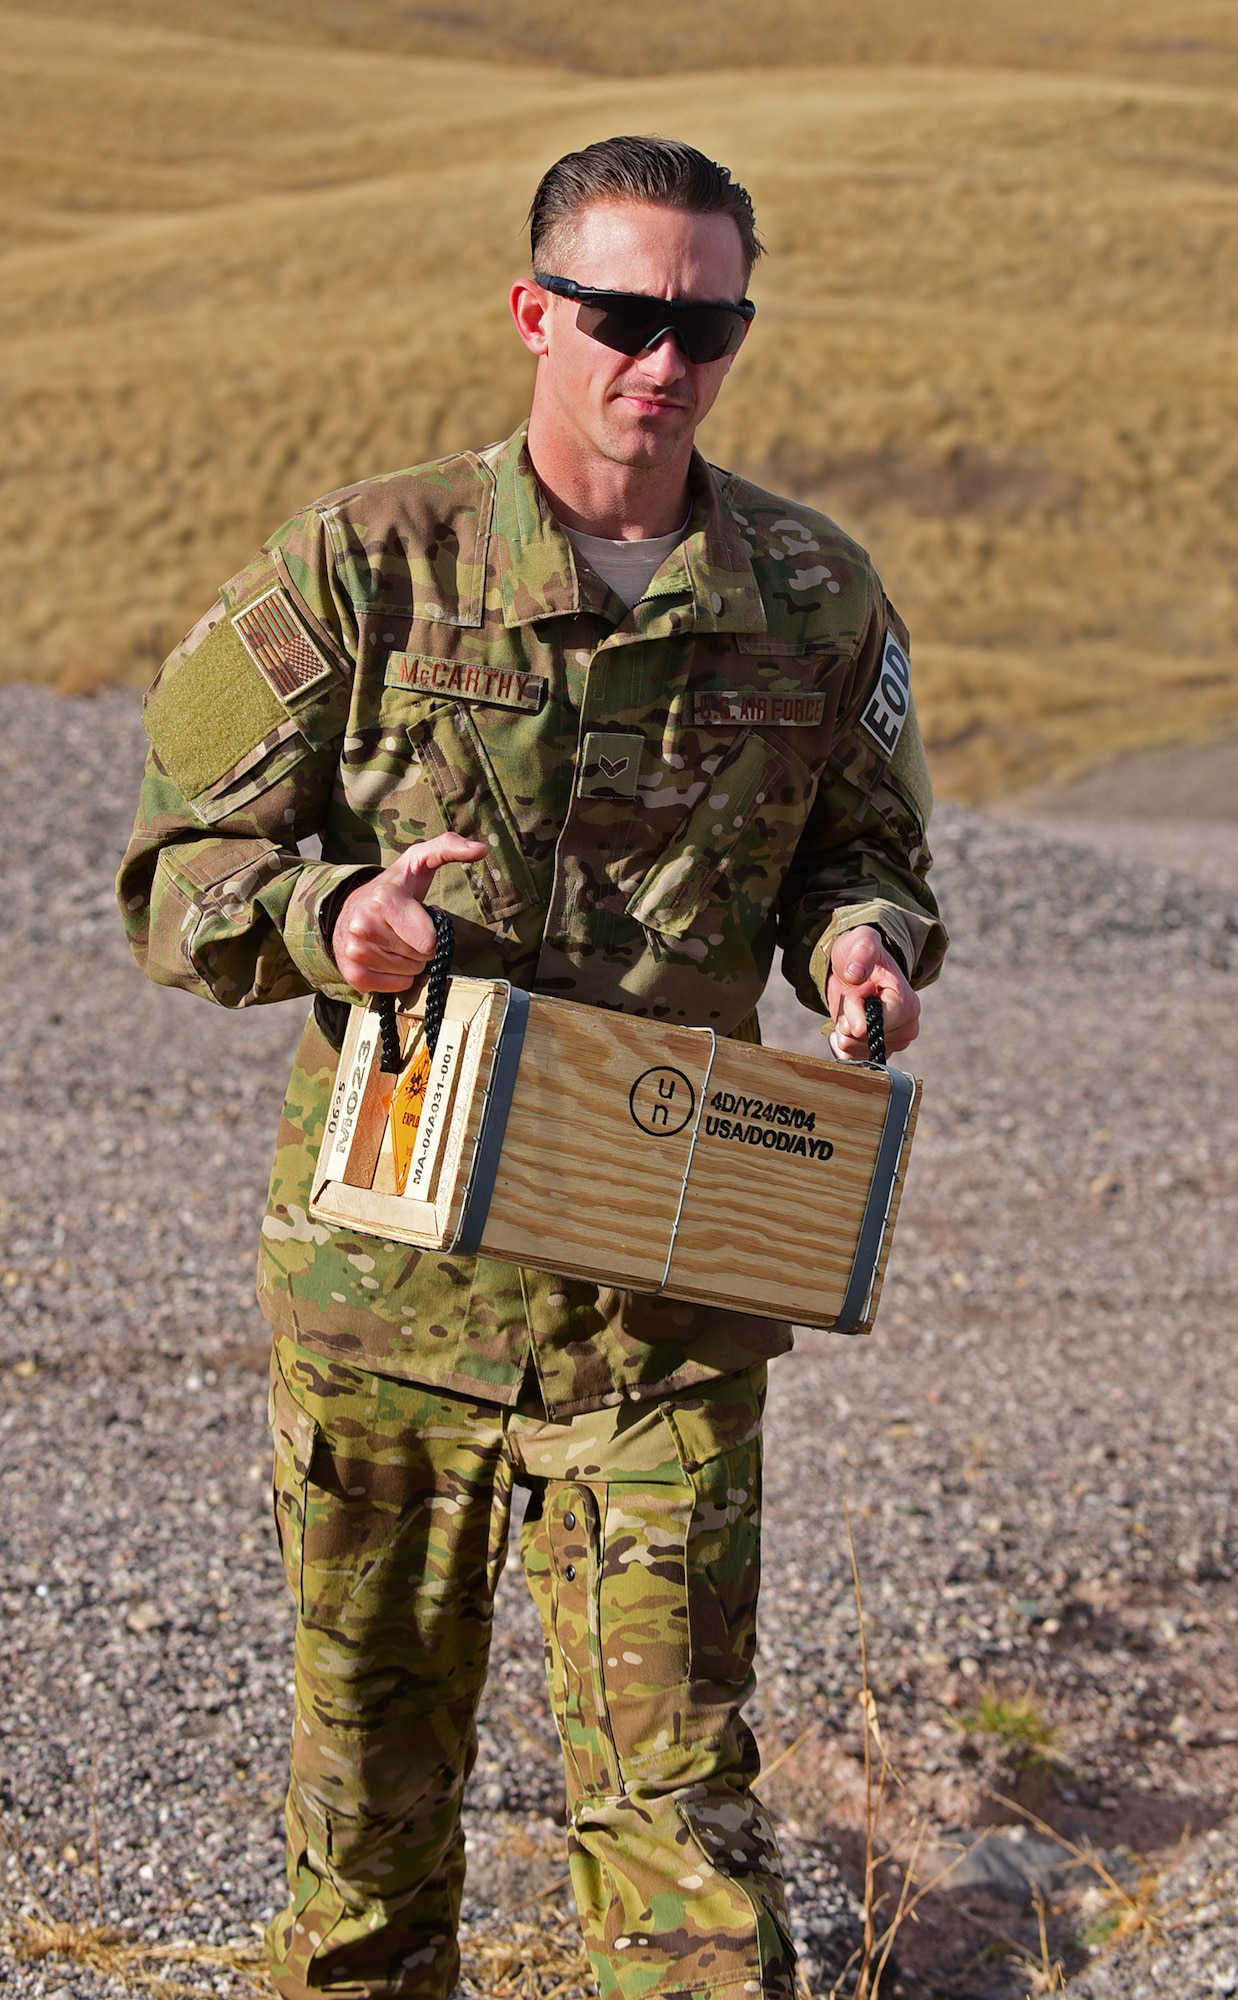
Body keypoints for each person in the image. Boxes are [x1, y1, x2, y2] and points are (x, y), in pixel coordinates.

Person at [118, 136, 946, 2000]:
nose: (664, 359)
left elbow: (862, 853)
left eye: (707, 322)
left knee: (679, 1826)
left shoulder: (814, 593)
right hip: (388, 1301)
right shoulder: (360, 566)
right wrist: (336, 923)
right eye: (625, 316)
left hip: (667, 1284)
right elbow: (174, 871)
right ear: (533, 315)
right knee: (370, 1835)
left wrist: (862, 950)